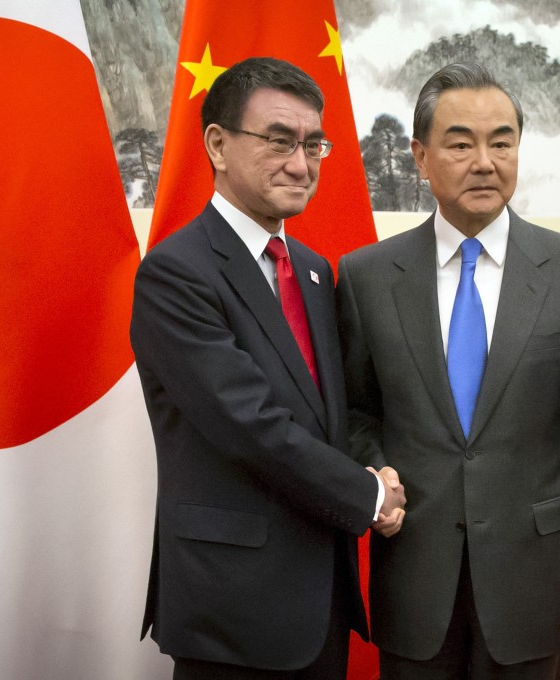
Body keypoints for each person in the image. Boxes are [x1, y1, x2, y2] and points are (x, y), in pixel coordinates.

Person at [337, 62, 560, 679]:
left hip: (532, 574)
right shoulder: (366, 277)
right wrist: (376, 469)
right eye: (461, 144)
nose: (485, 162)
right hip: (413, 565)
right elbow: (357, 411)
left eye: (502, 142)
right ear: (420, 156)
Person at [130, 56, 407, 680]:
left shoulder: (312, 270)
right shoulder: (177, 273)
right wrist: (368, 494)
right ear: (218, 145)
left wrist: (376, 462)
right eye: (279, 141)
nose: (301, 165)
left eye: (314, 145)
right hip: (233, 605)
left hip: (320, 598)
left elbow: (328, 416)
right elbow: (250, 425)